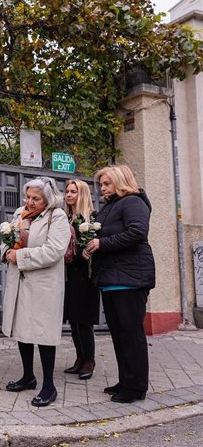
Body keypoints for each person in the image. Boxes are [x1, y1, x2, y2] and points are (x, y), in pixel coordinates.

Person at [83, 165, 155, 403]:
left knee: (131, 334)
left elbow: (137, 233)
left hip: (130, 278)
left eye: (107, 183)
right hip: (112, 278)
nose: (102, 188)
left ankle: (136, 388)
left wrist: (102, 244)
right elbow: (104, 237)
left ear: (121, 181)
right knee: (118, 334)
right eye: (101, 184)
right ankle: (125, 380)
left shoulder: (133, 202)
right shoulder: (109, 206)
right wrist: (91, 246)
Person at [1, 176, 71, 407]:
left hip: (43, 285)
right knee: (22, 330)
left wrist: (19, 256)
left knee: (43, 333)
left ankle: (49, 386)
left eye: (35, 199)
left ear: (47, 199)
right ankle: (28, 376)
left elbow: (54, 251)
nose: (29, 202)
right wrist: (6, 252)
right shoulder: (20, 213)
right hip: (20, 282)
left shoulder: (56, 216)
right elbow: (6, 239)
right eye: (28, 197)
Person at [63, 179, 100, 380]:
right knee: (73, 320)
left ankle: (89, 360)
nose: (69, 195)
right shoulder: (66, 217)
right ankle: (79, 358)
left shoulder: (91, 219)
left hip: (85, 276)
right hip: (69, 275)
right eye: (67, 191)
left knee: (84, 321)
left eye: (73, 192)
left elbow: (91, 249)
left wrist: (79, 256)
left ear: (82, 194)